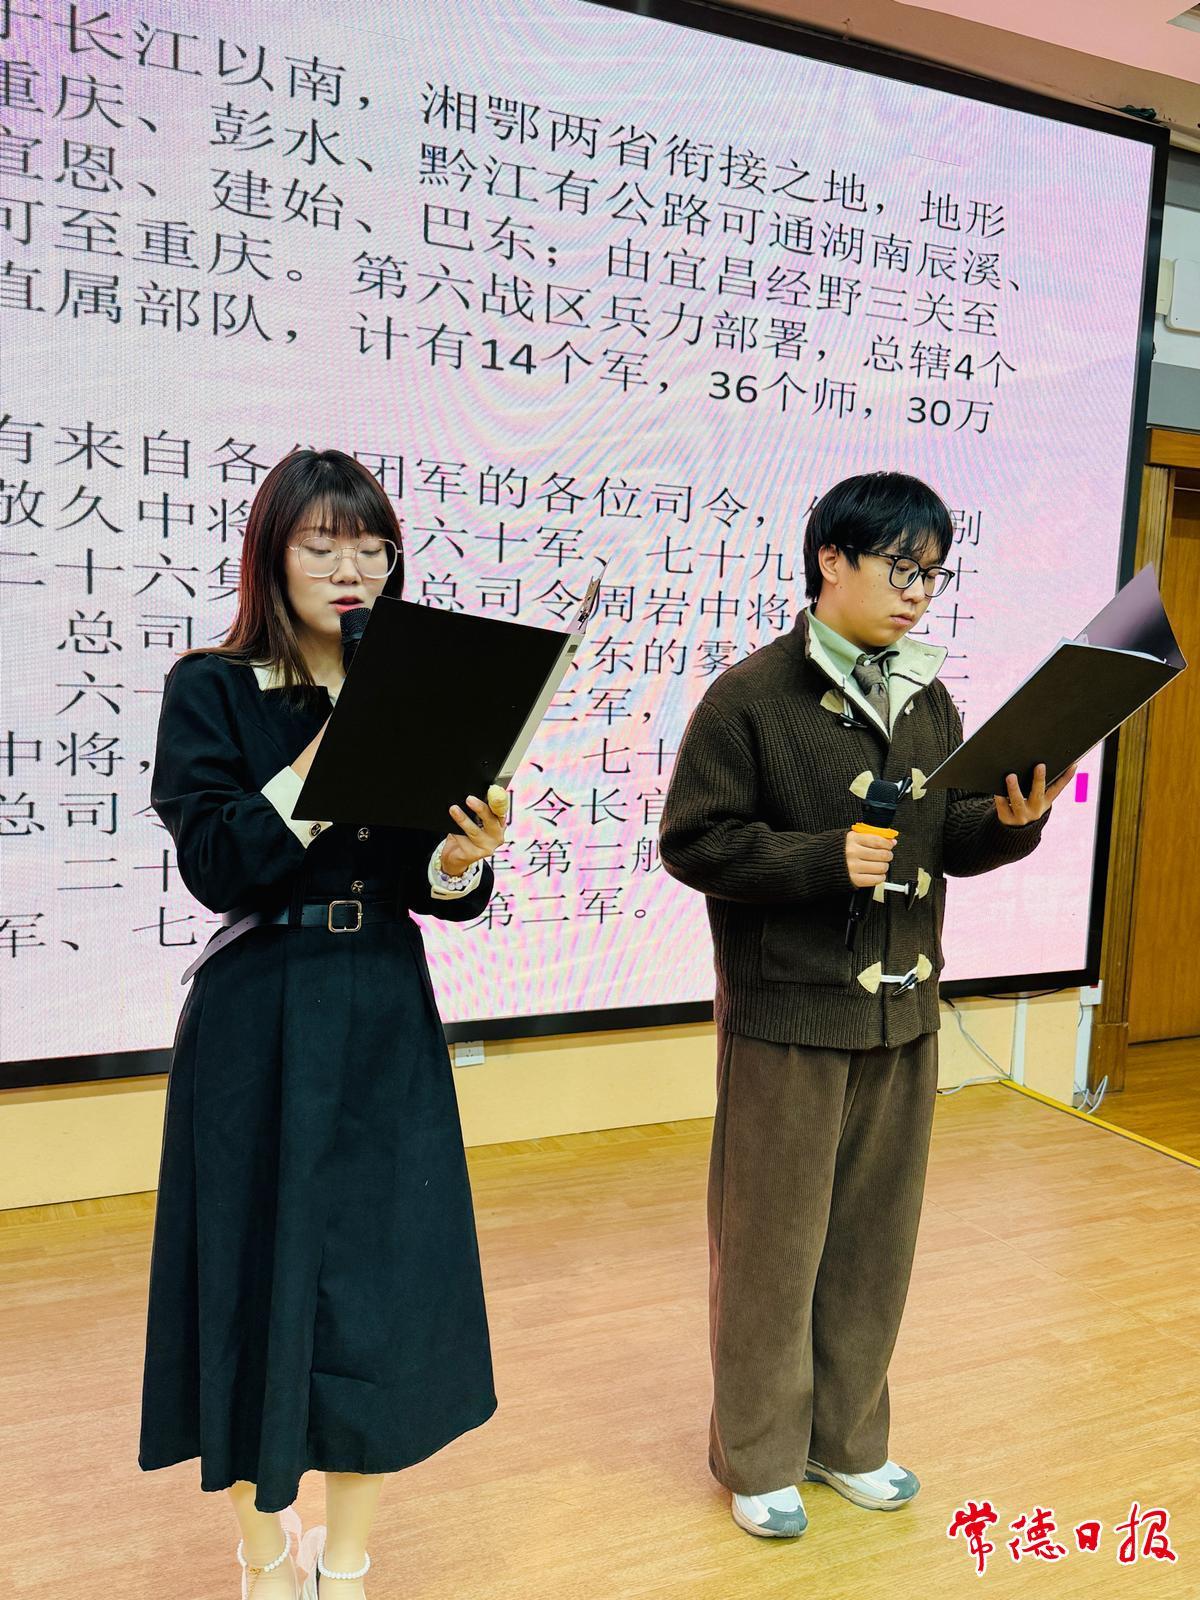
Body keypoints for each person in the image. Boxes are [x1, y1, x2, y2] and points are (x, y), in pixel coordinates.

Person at [659, 471, 1076, 1541]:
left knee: (874, 1245)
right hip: (789, 1019)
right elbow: (694, 843)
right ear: (830, 560)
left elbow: (949, 837)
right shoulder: (750, 697)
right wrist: (820, 858)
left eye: (932, 574)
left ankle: (846, 1438)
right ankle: (757, 1455)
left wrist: (1013, 823)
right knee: (770, 1249)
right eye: (900, 567)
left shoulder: (926, 697)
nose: (917, 592)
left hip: (903, 1014)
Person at [138, 448, 507, 1599]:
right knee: (256, 1280)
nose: (352, 569)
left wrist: (463, 854)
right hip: (258, 1014)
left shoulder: (414, 693)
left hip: (382, 1003)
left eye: (371, 547)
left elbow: (429, 883)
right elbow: (219, 863)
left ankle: (344, 1565)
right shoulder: (212, 688)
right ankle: (263, 1549)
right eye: (322, 545)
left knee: (375, 1294)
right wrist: (326, 751)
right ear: (273, 555)